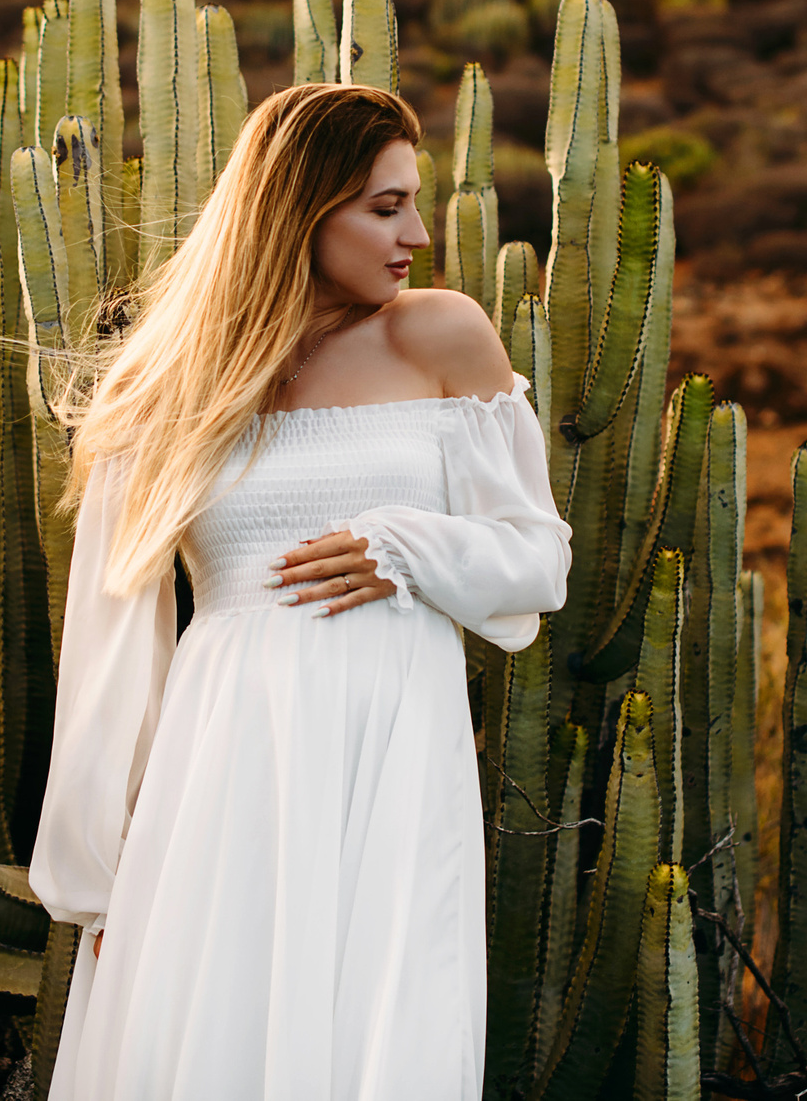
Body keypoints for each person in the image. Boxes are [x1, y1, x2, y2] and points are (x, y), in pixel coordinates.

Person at [28, 83, 573, 1101]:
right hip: (223, 763)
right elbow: (112, 648)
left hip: (395, 752)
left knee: (386, 1028)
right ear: (297, 209)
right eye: (382, 207)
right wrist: (99, 885)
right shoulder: (166, 384)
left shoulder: (439, 336)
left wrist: (406, 544)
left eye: (412, 202)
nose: (414, 233)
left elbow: (538, 562)